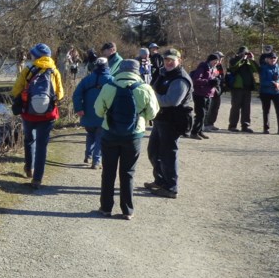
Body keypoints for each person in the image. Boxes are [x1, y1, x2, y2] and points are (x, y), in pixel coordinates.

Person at [93, 58, 159, 219]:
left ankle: (106, 207)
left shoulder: (109, 86)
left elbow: (98, 111)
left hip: (110, 134)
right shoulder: (145, 88)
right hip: (134, 135)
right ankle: (127, 210)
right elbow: (152, 114)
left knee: (108, 172)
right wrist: (140, 114)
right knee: (128, 172)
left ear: (121, 70)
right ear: (137, 71)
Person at [11, 43, 65, 189]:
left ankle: (29, 168)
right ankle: (37, 179)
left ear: (36, 55)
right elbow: (60, 94)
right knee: (42, 146)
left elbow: (16, 90)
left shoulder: (29, 70)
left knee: (29, 140)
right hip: (48, 115)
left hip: (28, 113)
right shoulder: (54, 71)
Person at [145, 48, 193, 198]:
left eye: (172, 60)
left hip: (173, 121)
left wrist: (151, 95)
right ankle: (160, 181)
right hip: (161, 119)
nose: (169, 62)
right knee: (153, 152)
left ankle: (171, 188)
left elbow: (171, 101)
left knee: (168, 155)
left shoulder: (180, 79)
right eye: (166, 60)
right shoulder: (163, 73)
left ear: (179, 61)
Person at [73, 56, 113, 169]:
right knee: (100, 137)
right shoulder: (111, 80)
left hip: (87, 113)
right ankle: (96, 161)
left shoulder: (87, 79)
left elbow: (76, 95)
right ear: (107, 66)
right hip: (103, 114)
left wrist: (78, 108)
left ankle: (88, 155)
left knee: (90, 134)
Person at [227, 46, 260, 132]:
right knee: (235, 107)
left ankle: (245, 125)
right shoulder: (234, 60)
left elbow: (257, 69)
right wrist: (241, 58)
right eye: (243, 53)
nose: (245, 54)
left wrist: (252, 59)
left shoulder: (249, 62)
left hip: (247, 88)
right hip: (237, 88)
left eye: (246, 53)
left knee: (246, 107)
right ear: (239, 53)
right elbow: (233, 67)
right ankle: (232, 125)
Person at [189, 53, 221, 140]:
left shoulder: (213, 68)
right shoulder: (203, 67)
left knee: (205, 113)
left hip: (208, 93)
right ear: (211, 60)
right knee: (200, 114)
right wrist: (209, 82)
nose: (216, 62)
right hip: (200, 93)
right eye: (215, 61)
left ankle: (200, 131)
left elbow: (213, 79)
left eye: (217, 61)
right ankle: (194, 132)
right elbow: (196, 80)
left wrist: (216, 82)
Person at [258, 51, 279, 135]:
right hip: (266, 92)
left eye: (274, 58)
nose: (273, 59)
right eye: (271, 58)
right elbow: (263, 81)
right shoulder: (263, 68)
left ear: (277, 59)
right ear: (267, 59)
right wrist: (273, 83)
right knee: (266, 111)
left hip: (277, 92)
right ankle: (266, 128)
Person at [204, 51, 225, 131]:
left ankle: (211, 123)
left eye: (221, 58)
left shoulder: (219, 66)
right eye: (220, 58)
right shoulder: (209, 66)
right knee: (209, 108)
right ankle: (205, 124)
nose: (221, 60)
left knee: (215, 108)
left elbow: (221, 77)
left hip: (218, 90)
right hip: (211, 90)